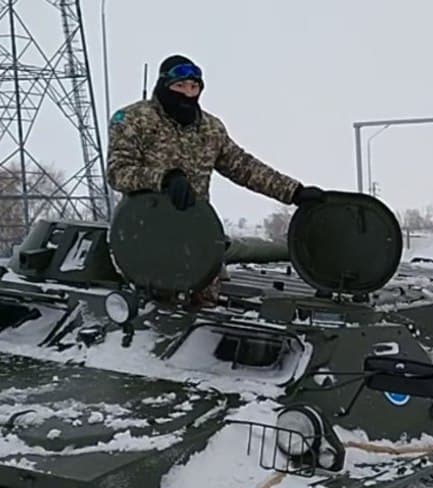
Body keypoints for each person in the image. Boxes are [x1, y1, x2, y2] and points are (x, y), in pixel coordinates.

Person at [107, 54, 324, 302]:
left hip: (196, 240)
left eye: (194, 87)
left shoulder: (210, 128)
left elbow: (243, 166)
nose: (188, 94)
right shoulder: (134, 119)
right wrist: (164, 179)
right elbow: (118, 171)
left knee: (204, 317)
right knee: (150, 318)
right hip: (147, 238)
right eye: (180, 86)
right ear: (164, 86)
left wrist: (294, 192)